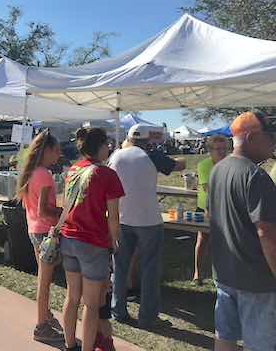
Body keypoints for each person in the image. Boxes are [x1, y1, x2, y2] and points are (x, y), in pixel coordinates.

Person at [207, 111, 276, 351]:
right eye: (269, 136)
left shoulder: (218, 170)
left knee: (224, 335)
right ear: (251, 137)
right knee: (261, 343)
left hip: (225, 272)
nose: (273, 143)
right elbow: (266, 233)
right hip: (256, 279)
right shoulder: (256, 176)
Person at [108, 124, 185, 329]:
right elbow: (179, 166)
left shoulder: (115, 156)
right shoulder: (151, 155)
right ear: (147, 140)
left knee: (120, 267)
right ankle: (148, 316)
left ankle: (118, 310)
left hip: (123, 218)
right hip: (149, 221)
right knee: (150, 269)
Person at [61, 128, 124, 351]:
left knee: (72, 296)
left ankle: (70, 344)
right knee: (92, 303)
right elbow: (113, 217)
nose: (109, 148)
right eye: (107, 144)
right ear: (99, 146)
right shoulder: (107, 174)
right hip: (92, 242)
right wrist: (114, 244)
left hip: (68, 237)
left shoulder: (73, 170)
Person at [16, 130, 63, 343]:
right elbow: (45, 210)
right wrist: (63, 213)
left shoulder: (31, 172)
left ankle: (46, 315)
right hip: (45, 232)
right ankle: (41, 325)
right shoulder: (43, 174)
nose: (58, 155)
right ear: (47, 151)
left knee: (43, 279)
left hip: (34, 229)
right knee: (44, 282)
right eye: (56, 151)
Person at [192, 134, 228, 285]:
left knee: (224, 242)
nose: (221, 152)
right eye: (217, 149)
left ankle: (223, 275)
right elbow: (209, 188)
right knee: (202, 239)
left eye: (224, 149)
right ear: (210, 150)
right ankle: (197, 274)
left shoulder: (229, 163)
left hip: (225, 208)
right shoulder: (204, 165)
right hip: (205, 208)